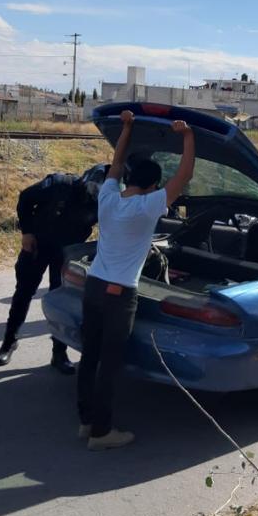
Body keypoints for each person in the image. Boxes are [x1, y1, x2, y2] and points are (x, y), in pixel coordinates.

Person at [77, 110, 195, 451]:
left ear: (129, 178)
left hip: (95, 284)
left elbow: (116, 161)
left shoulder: (108, 196)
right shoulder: (147, 206)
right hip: (119, 294)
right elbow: (184, 176)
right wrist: (187, 136)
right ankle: (102, 432)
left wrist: (127, 127)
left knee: (90, 356)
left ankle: (86, 422)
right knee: (110, 364)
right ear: (154, 185)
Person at [0, 163, 109, 373]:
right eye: (93, 193)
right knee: (23, 294)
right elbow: (25, 199)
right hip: (37, 245)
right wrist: (26, 233)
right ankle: (9, 342)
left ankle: (59, 353)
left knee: (61, 301)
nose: (93, 199)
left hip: (67, 253)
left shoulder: (105, 200)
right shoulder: (58, 184)